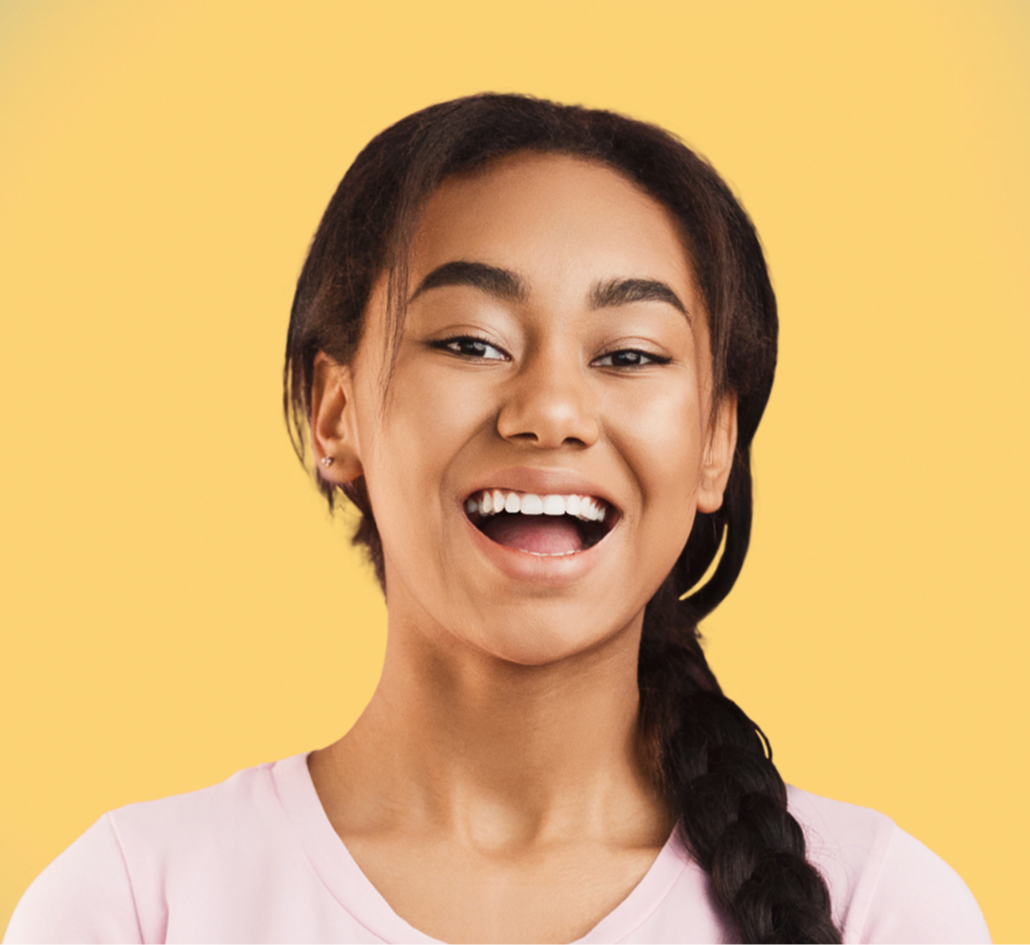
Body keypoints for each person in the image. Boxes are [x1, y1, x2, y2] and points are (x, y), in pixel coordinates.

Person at [4, 94, 991, 945]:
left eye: (631, 355)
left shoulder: (877, 908)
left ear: (714, 445)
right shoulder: (136, 902)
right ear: (335, 414)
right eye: (471, 342)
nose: (550, 411)